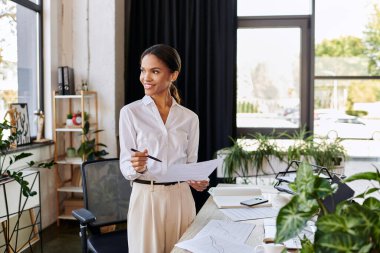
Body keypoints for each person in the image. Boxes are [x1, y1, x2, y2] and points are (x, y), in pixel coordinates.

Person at [119, 44, 209, 253]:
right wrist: (137, 166)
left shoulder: (189, 118)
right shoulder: (130, 113)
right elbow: (126, 167)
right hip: (146, 198)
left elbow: (190, 165)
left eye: (155, 71)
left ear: (173, 75)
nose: (146, 77)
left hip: (181, 199)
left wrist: (197, 180)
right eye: (143, 70)